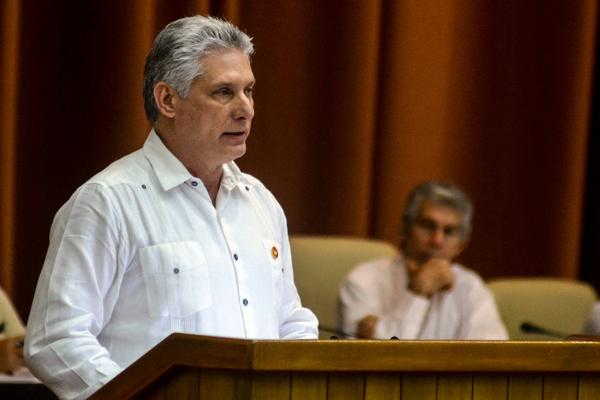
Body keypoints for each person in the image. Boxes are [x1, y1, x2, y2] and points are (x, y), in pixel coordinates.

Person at [24, 15, 318, 400]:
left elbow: (288, 321)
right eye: (223, 92)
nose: (245, 109)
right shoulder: (108, 201)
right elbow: (56, 339)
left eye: (249, 90)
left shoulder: (260, 201)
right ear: (167, 100)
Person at [339, 181, 507, 340]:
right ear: (405, 229)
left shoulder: (471, 287)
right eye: (427, 226)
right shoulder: (363, 280)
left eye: (448, 232)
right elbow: (382, 356)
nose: (437, 240)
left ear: (461, 245)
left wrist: (378, 329)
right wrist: (418, 294)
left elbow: (491, 359)